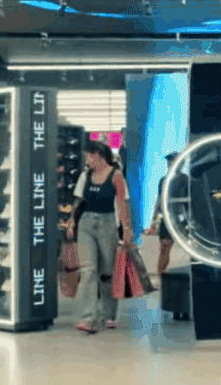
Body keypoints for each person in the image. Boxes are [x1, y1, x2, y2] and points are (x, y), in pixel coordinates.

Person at [71, 140, 134, 334]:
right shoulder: (85, 176)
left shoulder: (116, 175)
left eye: (88, 156)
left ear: (98, 155)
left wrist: (127, 228)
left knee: (107, 272)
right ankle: (88, 318)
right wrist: (72, 222)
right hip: (86, 224)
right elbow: (78, 201)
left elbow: (122, 203)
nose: (86, 160)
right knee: (88, 271)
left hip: (107, 224)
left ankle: (108, 314)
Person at [143, 151, 180, 280]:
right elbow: (159, 199)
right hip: (167, 218)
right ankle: (161, 274)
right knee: (164, 247)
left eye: (172, 161)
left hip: (180, 219)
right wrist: (153, 219)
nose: (170, 164)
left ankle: (162, 273)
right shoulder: (163, 180)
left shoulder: (184, 180)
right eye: (169, 162)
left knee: (170, 247)